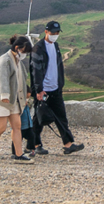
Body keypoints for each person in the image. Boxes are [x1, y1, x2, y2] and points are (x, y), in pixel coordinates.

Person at [31, 21, 83, 155]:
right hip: (43, 90)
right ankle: (35, 144)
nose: (55, 35)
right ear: (46, 32)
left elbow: (58, 66)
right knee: (39, 118)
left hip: (55, 88)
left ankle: (68, 144)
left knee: (61, 116)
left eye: (57, 32)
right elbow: (35, 71)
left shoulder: (56, 46)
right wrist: (38, 89)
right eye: (53, 32)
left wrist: (60, 84)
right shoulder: (38, 48)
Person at [0, 35, 33, 162]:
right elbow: (2, 79)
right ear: (17, 48)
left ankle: (19, 154)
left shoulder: (18, 62)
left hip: (14, 100)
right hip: (1, 100)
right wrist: (4, 95)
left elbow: (21, 81)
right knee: (0, 128)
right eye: (24, 51)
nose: (25, 54)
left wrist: (24, 97)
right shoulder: (4, 60)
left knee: (17, 126)